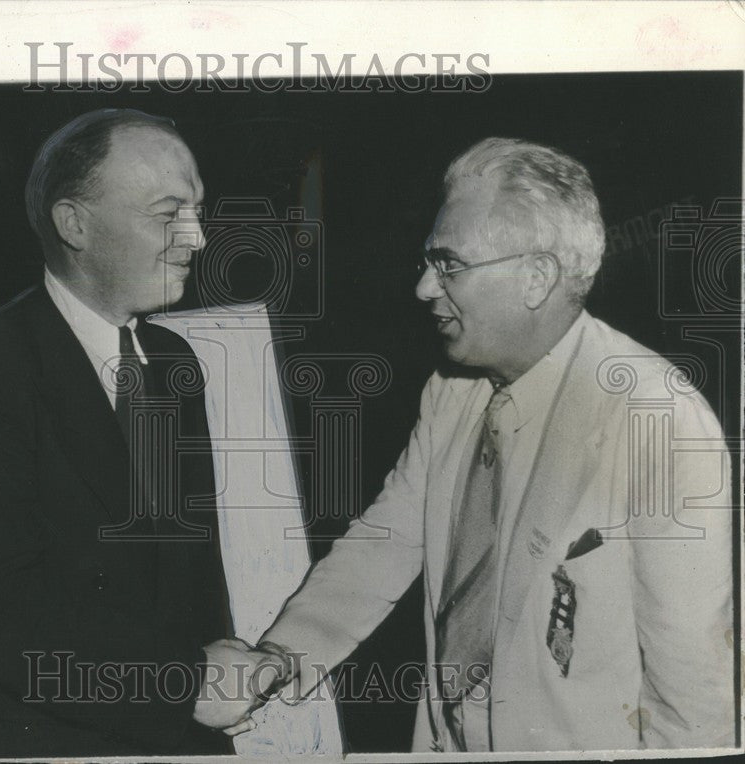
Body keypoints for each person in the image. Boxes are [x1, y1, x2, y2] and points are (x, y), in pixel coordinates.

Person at [201, 137, 735, 751]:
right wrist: (281, 656)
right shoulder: (452, 392)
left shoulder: (655, 416)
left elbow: (694, 689)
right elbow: (387, 541)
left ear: (537, 277)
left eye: (449, 264)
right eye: (429, 263)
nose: (425, 288)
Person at [0, 109, 265, 757]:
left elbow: (185, 574)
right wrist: (183, 684)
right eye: (167, 212)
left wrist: (215, 677)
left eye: (197, 210)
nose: (198, 237)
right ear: (75, 224)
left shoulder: (172, 361)